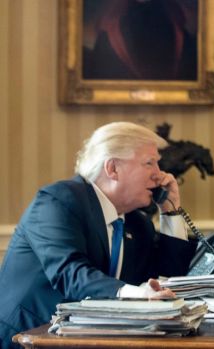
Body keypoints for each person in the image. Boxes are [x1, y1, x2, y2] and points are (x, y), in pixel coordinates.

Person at [0, 122, 196, 348]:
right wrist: (134, 293)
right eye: (149, 163)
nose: (159, 175)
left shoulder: (138, 224)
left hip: (90, 339)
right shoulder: (58, 201)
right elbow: (70, 273)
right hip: (27, 337)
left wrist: (170, 212)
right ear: (112, 168)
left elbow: (166, 278)